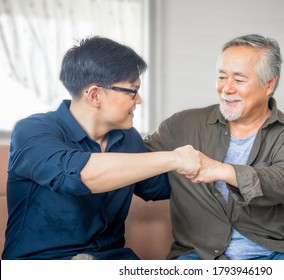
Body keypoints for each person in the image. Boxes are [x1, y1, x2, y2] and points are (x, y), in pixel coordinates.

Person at [2, 36, 200, 260]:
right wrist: (174, 158)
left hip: (113, 260)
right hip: (44, 263)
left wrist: (219, 169)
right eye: (132, 91)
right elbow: (78, 174)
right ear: (95, 95)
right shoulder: (32, 130)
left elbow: (159, 187)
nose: (139, 100)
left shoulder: (128, 139)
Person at [144, 34, 284, 260]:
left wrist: (221, 170)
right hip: (199, 256)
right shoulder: (181, 125)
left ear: (269, 84)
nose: (227, 88)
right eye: (222, 76)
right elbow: (136, 159)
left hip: (275, 254)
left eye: (239, 80)